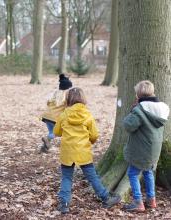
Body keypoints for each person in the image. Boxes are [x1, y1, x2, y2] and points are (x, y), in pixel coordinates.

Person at [53, 87, 121, 214]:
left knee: (67, 178)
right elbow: (94, 135)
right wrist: (90, 141)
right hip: (83, 152)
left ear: (68, 99)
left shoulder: (64, 114)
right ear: (83, 99)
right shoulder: (87, 115)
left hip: (67, 153)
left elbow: (56, 132)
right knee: (92, 177)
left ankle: (64, 204)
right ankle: (106, 198)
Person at [123, 80, 170, 212]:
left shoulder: (139, 110)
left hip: (141, 149)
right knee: (148, 172)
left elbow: (128, 126)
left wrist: (132, 111)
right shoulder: (161, 109)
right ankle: (151, 200)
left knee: (132, 173)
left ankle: (138, 202)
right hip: (154, 149)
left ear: (138, 95)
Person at [40, 74, 72, 153]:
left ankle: (44, 148)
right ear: (67, 88)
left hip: (46, 116)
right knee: (58, 133)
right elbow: (68, 107)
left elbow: (48, 103)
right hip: (54, 118)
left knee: (52, 132)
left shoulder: (54, 93)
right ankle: (47, 139)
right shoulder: (66, 96)